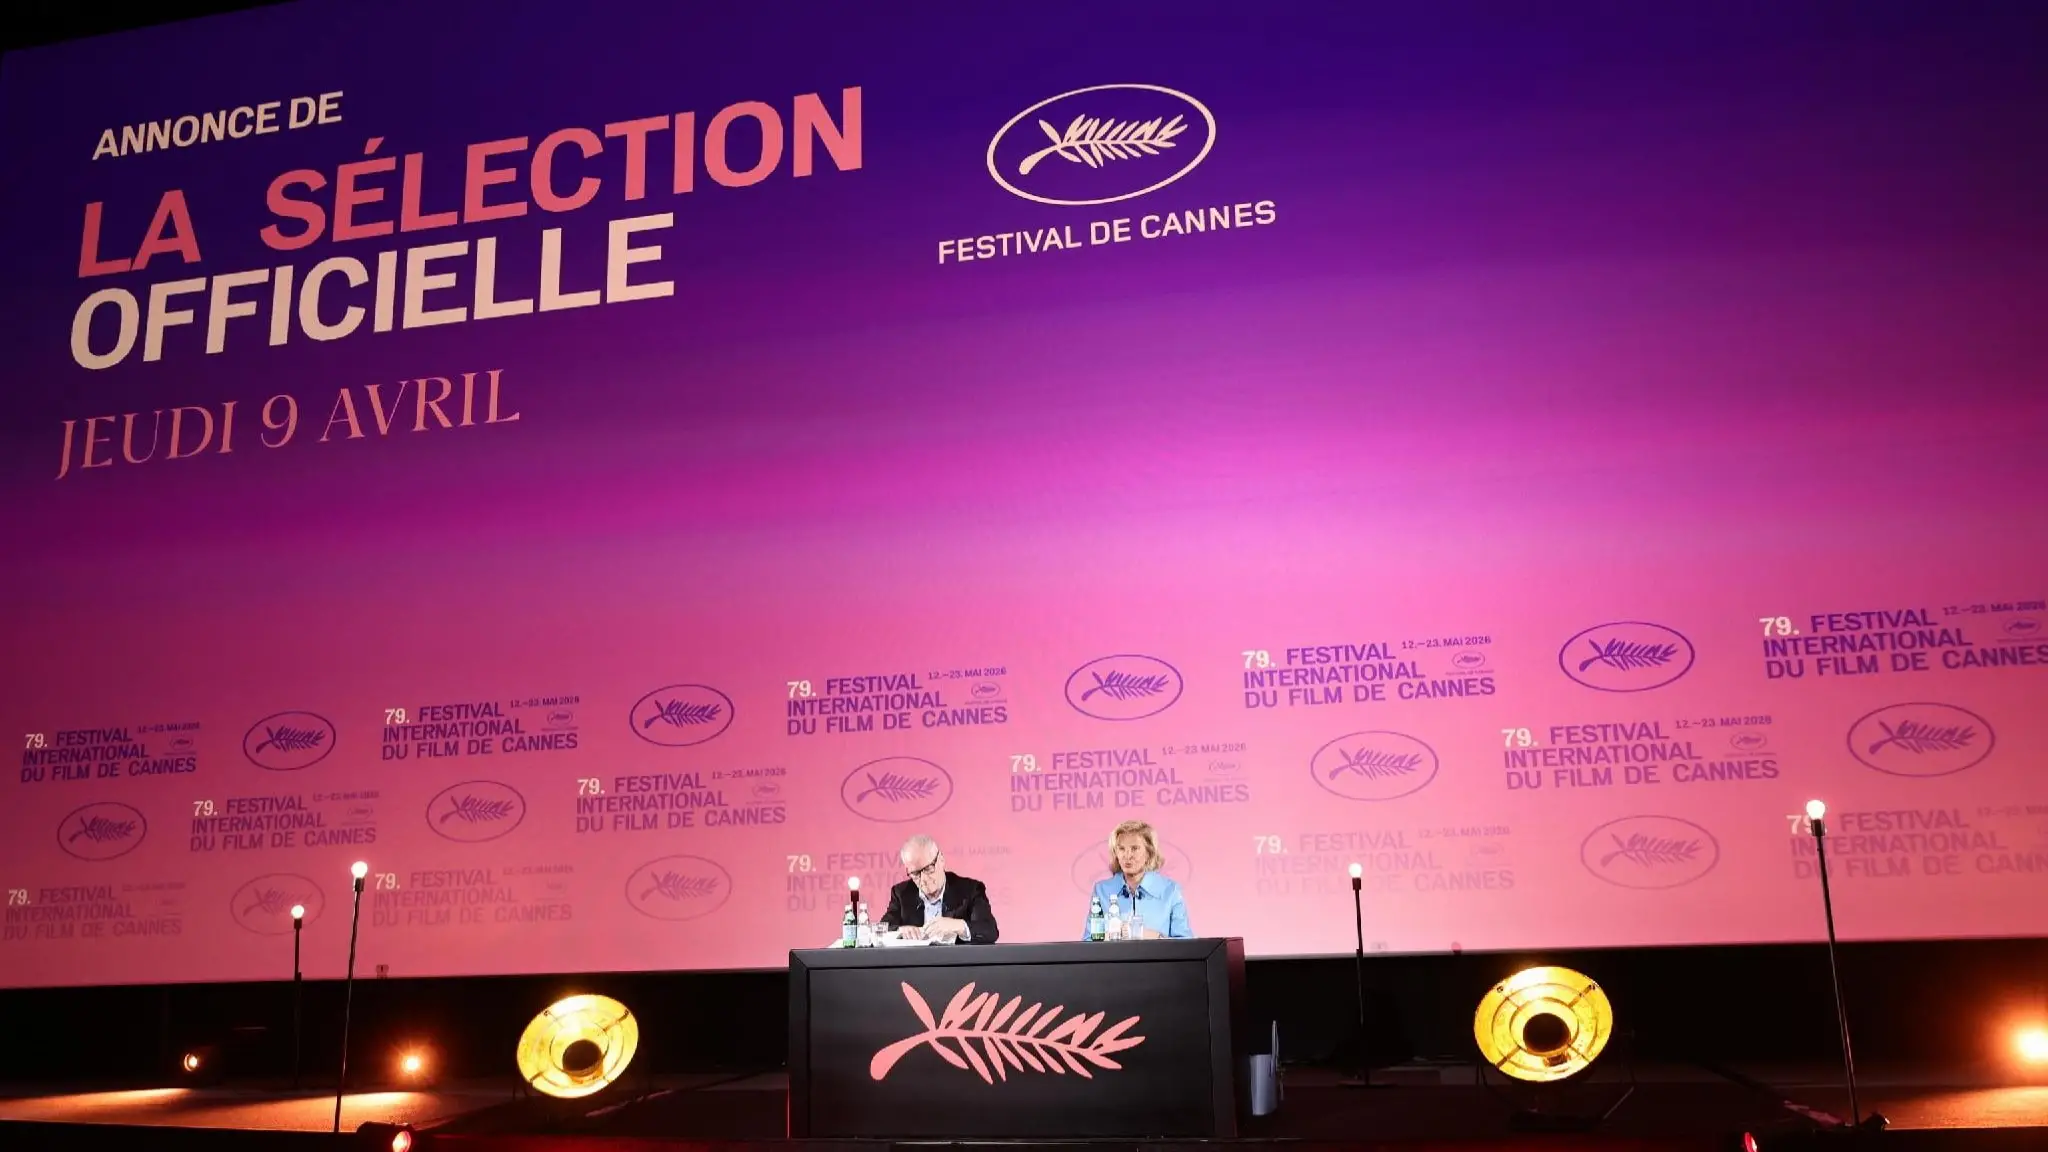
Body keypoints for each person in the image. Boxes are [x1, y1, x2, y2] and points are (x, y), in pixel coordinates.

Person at [878, 834, 1000, 944]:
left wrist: (957, 926)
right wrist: (899, 931)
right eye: (915, 874)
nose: (924, 879)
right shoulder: (901, 893)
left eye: (928, 869)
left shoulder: (970, 890)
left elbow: (989, 931)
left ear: (941, 859)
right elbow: (881, 930)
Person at [1083, 819, 1193, 939]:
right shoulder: (1102, 891)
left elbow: (1186, 944)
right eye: (1121, 849)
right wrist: (1111, 936)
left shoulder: (1170, 891)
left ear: (1149, 853)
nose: (1127, 856)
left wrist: (1157, 937)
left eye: (1134, 848)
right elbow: (1089, 941)